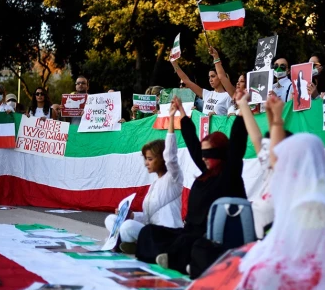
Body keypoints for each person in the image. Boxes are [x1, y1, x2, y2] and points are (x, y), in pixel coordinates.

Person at [239, 132, 325, 290]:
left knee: (263, 272)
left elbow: (307, 259)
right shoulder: (293, 189)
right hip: (299, 267)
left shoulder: (317, 199)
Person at [135, 97, 248, 274]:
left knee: (193, 246)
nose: (203, 158)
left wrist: (242, 110)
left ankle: (179, 261)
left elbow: (238, 142)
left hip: (210, 237)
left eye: (208, 153)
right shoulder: (206, 171)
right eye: (203, 154)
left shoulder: (229, 173)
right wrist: (182, 114)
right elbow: (193, 146)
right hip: (188, 231)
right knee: (149, 232)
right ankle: (174, 259)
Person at [104, 99, 184, 254]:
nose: (146, 163)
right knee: (111, 220)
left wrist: (172, 120)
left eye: (150, 159)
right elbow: (148, 218)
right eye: (145, 159)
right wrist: (131, 215)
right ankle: (134, 245)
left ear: (161, 158)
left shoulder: (174, 177)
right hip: (151, 230)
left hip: (168, 234)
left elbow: (171, 155)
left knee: (127, 227)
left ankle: (134, 244)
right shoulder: (155, 184)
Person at [235, 91, 290, 239]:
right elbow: (257, 138)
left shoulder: (292, 182)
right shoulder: (270, 169)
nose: (266, 152)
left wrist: (277, 118)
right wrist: (243, 105)